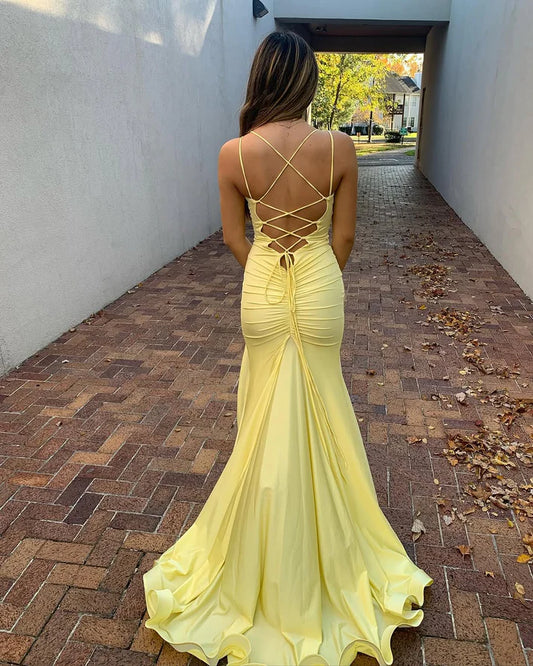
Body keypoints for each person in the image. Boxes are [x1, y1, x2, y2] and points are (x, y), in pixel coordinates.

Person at [143, 30, 433, 666]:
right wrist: (315, 276)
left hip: (264, 289)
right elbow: (344, 238)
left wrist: (269, 275)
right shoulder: (340, 147)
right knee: (325, 405)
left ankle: (264, 558)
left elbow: (234, 237)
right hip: (320, 285)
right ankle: (329, 553)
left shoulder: (233, 154)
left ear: (260, 78)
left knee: (264, 416)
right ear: (305, 82)